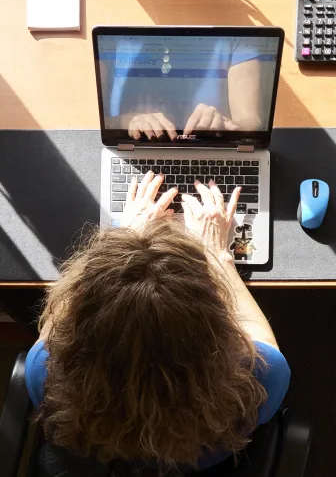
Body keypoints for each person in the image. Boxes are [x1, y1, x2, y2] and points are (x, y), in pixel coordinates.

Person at [25, 172, 290, 471]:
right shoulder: (259, 380)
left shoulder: (44, 374)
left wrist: (124, 239)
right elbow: (265, 343)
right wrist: (218, 255)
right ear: (214, 324)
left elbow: (60, 315)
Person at [98, 37, 274, 141]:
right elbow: (91, 125)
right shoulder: (110, 38)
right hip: (134, 152)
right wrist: (124, 122)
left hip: (212, 152)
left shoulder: (238, 39)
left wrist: (226, 125)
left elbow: (253, 123)